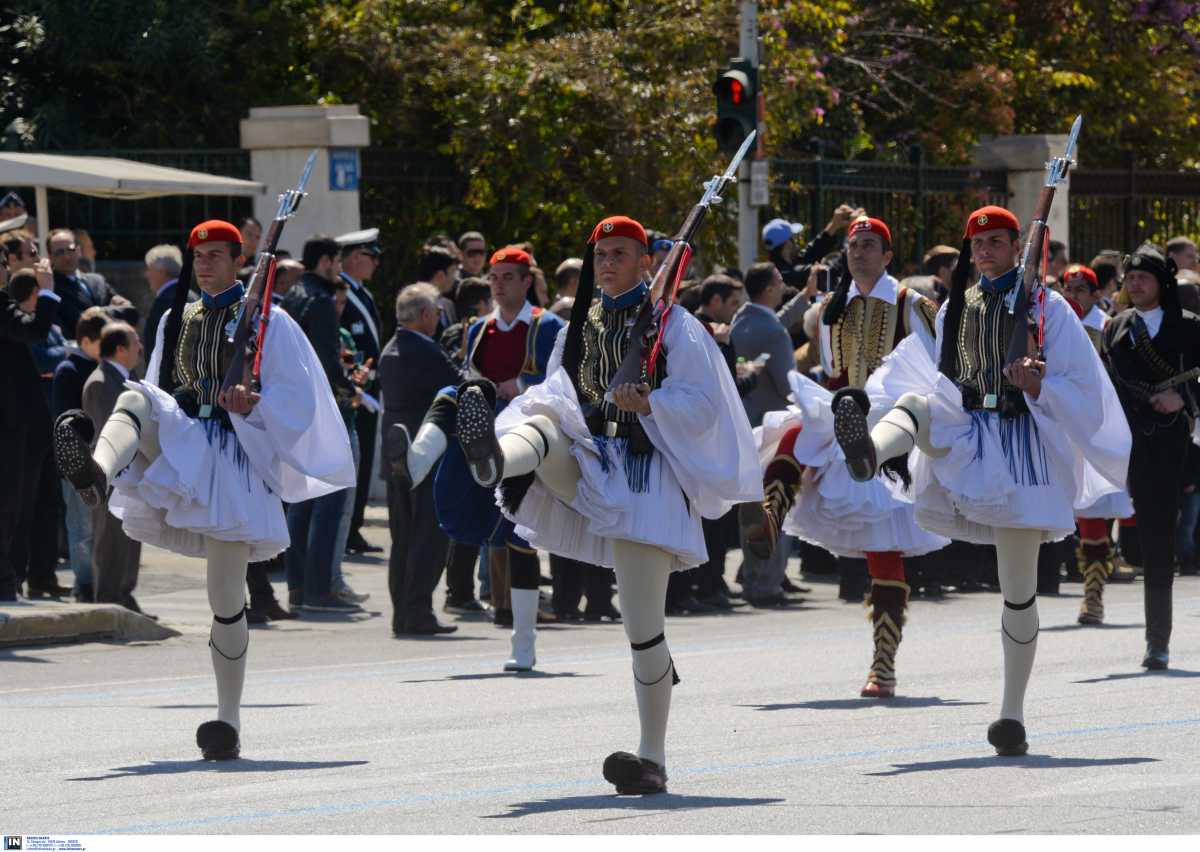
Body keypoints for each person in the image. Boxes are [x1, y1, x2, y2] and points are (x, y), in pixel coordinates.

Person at [454, 215, 759, 793]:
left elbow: (704, 406)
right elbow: (559, 391)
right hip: (591, 461)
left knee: (641, 629)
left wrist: (651, 404)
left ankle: (652, 757)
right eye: (601, 256)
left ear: (647, 261)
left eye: (620, 254)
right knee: (541, 419)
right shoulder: (582, 322)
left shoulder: (675, 325)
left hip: (645, 477)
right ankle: (494, 457)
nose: (608, 265)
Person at [833, 205, 1130, 755]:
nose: (987, 250)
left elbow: (1082, 381)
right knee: (916, 403)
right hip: (968, 425)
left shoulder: (1048, 306)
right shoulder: (957, 307)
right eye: (979, 243)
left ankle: (1011, 715)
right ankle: (869, 454)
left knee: (1017, 591)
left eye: (997, 241)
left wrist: (1041, 384)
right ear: (970, 251)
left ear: (1018, 246)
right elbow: (932, 367)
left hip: (1022, 444)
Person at [53, 219, 354, 760]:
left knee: (225, 599)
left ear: (239, 261)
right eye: (199, 256)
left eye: (217, 255)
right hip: (188, 436)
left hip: (237, 458)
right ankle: (96, 470)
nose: (206, 264)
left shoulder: (270, 322)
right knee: (138, 399)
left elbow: (300, 398)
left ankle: (228, 720)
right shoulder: (176, 316)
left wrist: (254, 402)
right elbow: (166, 386)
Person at [740, 216, 947, 697]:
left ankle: (883, 663)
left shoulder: (911, 304)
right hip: (843, 411)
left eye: (871, 245)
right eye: (854, 246)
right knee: (789, 433)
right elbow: (825, 365)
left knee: (883, 548)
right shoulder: (830, 307)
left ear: (888, 255)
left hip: (890, 425)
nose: (859, 253)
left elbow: (937, 367)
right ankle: (770, 517)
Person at [421, 246, 564, 662]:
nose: (498, 285)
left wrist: (518, 385)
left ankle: (524, 642)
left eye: (507, 277)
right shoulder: (478, 328)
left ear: (526, 282)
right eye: (494, 278)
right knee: (452, 399)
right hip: (486, 431)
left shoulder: (548, 325)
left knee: (520, 536)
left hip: (527, 435)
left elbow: (562, 381)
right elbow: (471, 371)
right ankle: (418, 456)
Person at [1101, 244, 1200, 669]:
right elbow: (1104, 386)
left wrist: (1184, 397)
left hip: (1180, 443)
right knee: (1152, 538)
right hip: (1133, 444)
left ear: (1162, 282)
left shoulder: (1191, 327)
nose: (1135, 283)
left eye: (1144, 277)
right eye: (1130, 277)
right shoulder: (1116, 328)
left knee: (1162, 536)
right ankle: (1155, 639)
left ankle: (1157, 640)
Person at [280, 234, 362, 612]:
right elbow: (327, 364)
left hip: (294, 414)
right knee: (329, 501)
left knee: (300, 505)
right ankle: (318, 590)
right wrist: (350, 389)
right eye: (338, 262)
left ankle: (298, 587)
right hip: (321, 416)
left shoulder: (292, 297)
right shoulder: (323, 301)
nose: (339, 270)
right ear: (327, 261)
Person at [378, 283, 464, 635]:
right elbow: (460, 384)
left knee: (403, 538)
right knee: (429, 536)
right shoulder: (425, 350)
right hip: (425, 455)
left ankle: (404, 611)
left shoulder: (390, 349)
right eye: (438, 313)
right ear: (427, 314)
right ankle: (418, 611)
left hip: (396, 455)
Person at [1062, 263, 1134, 624]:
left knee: (1093, 516)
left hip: (1098, 430)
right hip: (1062, 428)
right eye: (1067, 289)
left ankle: (1093, 595)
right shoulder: (1055, 326)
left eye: (1080, 289)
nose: (1072, 295)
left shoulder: (1109, 329)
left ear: (1095, 295)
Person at [1, 264, 68, 601]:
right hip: (10, 426)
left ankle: (14, 577)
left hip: (25, 425)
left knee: (26, 506)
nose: (5, 270)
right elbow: (35, 331)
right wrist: (47, 290)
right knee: (10, 505)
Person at [82, 322, 147, 614]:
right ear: (120, 349)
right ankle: (108, 600)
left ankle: (124, 593)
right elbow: (106, 432)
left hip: (133, 474)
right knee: (109, 540)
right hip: (111, 476)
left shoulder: (129, 379)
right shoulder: (100, 382)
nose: (139, 348)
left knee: (130, 537)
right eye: (135, 343)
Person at [52, 307, 110, 601]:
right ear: (86, 341)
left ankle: (100, 583)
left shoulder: (102, 368)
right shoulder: (69, 371)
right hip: (78, 466)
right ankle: (85, 584)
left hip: (100, 461)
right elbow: (64, 423)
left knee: (99, 528)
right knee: (82, 527)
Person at [336, 228, 385, 556]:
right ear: (354, 257)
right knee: (355, 460)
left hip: (369, 388)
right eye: (372, 256)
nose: (376, 264)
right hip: (353, 391)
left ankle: (354, 525)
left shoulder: (361, 292)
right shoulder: (342, 292)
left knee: (364, 460)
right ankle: (349, 527)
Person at [48, 228, 137, 339]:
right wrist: (110, 312)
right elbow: (74, 324)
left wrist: (97, 312)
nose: (67, 256)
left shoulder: (97, 280)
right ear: (50, 257)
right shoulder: (50, 287)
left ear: (79, 251)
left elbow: (130, 313)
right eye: (59, 252)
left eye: (70, 249)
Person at [763, 204, 860, 292]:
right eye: (794, 238)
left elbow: (810, 253)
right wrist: (854, 232)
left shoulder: (780, 267)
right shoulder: (788, 275)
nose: (796, 242)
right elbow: (831, 269)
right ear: (787, 243)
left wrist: (834, 225)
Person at [141, 244, 191, 364]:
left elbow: (157, 346)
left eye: (149, 269)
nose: (146, 274)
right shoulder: (191, 294)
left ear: (162, 272)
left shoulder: (165, 301)